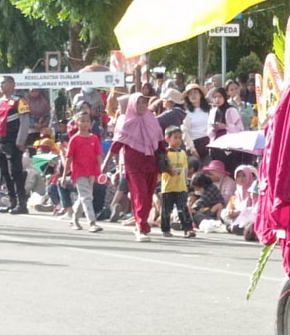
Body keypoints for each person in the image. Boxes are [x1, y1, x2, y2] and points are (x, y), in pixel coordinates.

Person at [103, 93, 163, 242]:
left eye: (144, 102)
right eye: (138, 103)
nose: (142, 106)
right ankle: (141, 226)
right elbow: (116, 145)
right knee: (140, 195)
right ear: (132, 105)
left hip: (151, 163)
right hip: (133, 164)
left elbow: (161, 143)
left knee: (148, 196)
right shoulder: (126, 122)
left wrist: (165, 164)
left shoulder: (152, 120)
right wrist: (105, 162)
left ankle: (140, 224)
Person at [62, 111, 103, 232]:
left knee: (84, 197)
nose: (85, 123)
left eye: (87, 121)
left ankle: (74, 218)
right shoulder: (74, 139)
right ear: (77, 123)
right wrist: (64, 175)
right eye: (82, 121)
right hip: (79, 172)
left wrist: (101, 170)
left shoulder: (94, 138)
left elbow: (99, 155)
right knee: (87, 197)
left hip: (92, 172)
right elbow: (69, 158)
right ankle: (92, 222)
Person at [0, 75, 30, 214]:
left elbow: (25, 122)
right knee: (4, 172)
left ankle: (22, 204)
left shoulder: (20, 101)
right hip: (0, 140)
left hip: (13, 140)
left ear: (11, 84)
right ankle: (12, 201)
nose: (1, 85)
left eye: (3, 83)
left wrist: (21, 141)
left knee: (15, 172)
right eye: (0, 83)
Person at [160, 125, 195, 238]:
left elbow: (185, 169)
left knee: (183, 208)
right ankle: (165, 228)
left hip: (180, 187)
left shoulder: (183, 153)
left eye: (180, 137)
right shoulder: (165, 153)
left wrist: (186, 182)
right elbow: (162, 168)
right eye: (175, 137)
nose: (178, 140)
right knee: (166, 210)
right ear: (167, 138)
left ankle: (188, 228)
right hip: (168, 187)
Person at [181, 83, 210, 159]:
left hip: (209, 143)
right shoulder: (186, 113)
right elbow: (185, 132)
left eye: (195, 92)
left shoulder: (209, 110)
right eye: (190, 93)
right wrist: (192, 149)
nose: (193, 95)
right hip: (195, 144)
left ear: (200, 95)